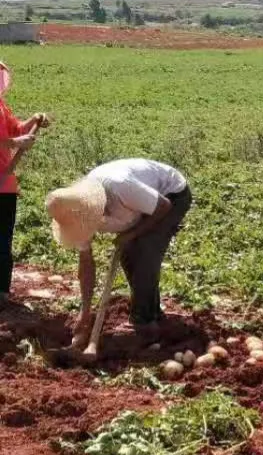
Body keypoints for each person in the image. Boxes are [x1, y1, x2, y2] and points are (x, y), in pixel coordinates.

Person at [45, 158, 191, 346]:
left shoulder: (121, 187)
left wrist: (132, 233)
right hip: (141, 205)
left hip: (171, 195)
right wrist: (85, 311)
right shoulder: (74, 215)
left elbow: (164, 206)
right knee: (128, 256)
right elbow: (86, 265)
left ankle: (144, 323)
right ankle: (151, 311)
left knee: (145, 252)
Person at [0, 61, 50, 309]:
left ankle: (2, 292)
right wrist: (15, 143)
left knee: (3, 240)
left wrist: (34, 120)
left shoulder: (2, 106)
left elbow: (16, 129)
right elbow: (11, 138)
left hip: (5, 184)